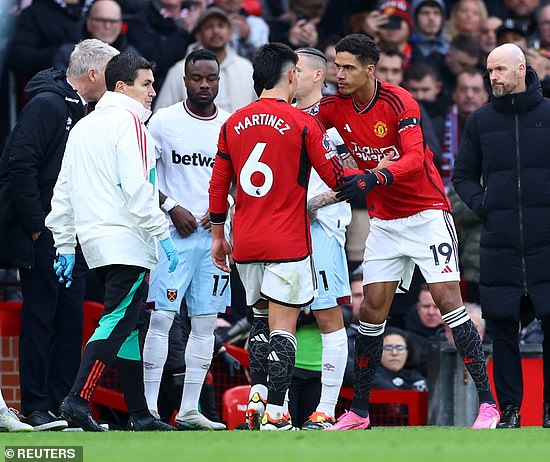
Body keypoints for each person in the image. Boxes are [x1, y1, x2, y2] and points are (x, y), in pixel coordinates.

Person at [315, 33, 499, 431]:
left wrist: (374, 175)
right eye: (335, 66)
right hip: (384, 223)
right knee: (370, 311)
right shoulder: (332, 108)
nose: (339, 74)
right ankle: (359, 412)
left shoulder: (399, 101)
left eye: (347, 67)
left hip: (426, 215)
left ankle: (489, 406)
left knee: (449, 301)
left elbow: (415, 159)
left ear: (370, 69)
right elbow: (306, 134)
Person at [207, 42, 345, 431]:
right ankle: (278, 414)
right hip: (287, 240)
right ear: (290, 75)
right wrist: (371, 171)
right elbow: (335, 178)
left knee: (259, 324)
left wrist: (219, 237)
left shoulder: (232, 123)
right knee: (284, 328)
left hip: (246, 241)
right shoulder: (305, 123)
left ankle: (258, 397)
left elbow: (218, 188)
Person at [453, 43, 550, 429]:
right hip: (501, 243)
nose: (492, 76)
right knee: (502, 327)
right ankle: (510, 410)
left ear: (521, 69)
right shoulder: (480, 121)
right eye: (489, 70)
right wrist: (487, 206)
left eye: (499, 69)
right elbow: (462, 175)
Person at [45, 53, 179, 432]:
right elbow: (138, 189)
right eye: (146, 84)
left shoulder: (84, 127)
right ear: (121, 87)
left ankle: (138, 413)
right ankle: (78, 398)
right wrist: (161, 234)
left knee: (129, 326)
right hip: (128, 240)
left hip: (95, 242)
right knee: (117, 321)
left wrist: (66, 245)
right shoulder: (132, 123)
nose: (153, 91)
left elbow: (64, 192)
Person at [0, 39, 119, 431]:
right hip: (46, 234)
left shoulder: (78, 110)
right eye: (111, 72)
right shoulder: (48, 105)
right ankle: (35, 406)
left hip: (73, 234)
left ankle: (62, 406)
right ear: (93, 73)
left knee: (69, 320)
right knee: (41, 316)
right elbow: (19, 164)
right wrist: (37, 227)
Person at [142, 49, 230, 431]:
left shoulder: (230, 125)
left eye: (211, 78)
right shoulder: (161, 122)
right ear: (185, 80)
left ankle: (191, 408)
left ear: (219, 80)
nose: (204, 85)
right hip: (171, 237)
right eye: (197, 78)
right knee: (161, 318)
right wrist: (172, 206)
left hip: (213, 239)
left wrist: (222, 207)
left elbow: (241, 181)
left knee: (205, 323)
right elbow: (139, 174)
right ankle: (148, 409)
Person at [290, 46, 353, 430]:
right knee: (273, 316)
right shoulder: (279, 114)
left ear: (317, 75)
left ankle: (325, 409)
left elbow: (357, 174)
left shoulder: (335, 119)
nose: (289, 74)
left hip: (322, 227)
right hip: (280, 230)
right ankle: (272, 407)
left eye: (295, 69)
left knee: (329, 316)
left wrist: (319, 201)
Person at [373, 327, 427, 392]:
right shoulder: (370, 376)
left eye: (400, 347)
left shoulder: (414, 376)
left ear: (408, 351)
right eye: (388, 347)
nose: (394, 353)